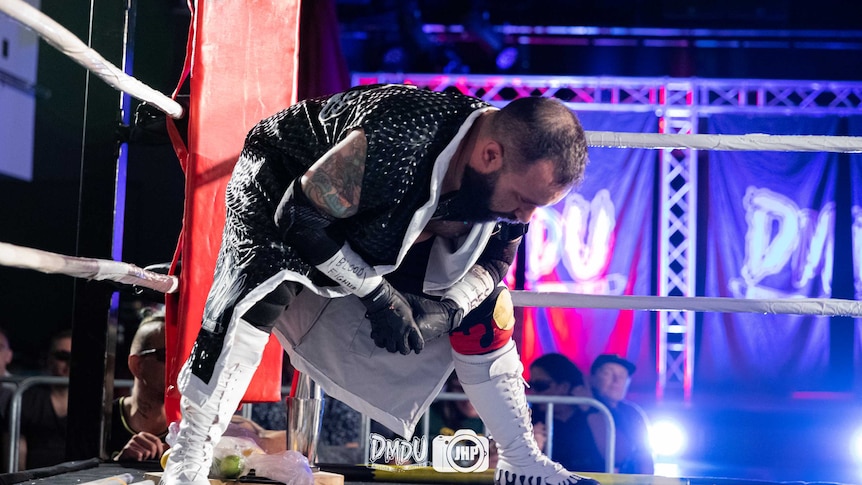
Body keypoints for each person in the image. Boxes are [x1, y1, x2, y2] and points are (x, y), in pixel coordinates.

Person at [161, 84, 594, 485]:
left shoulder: (504, 173)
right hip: (282, 196)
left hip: (383, 238)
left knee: (490, 306)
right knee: (259, 286)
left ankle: (521, 459)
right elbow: (299, 217)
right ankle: (189, 456)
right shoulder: (396, 138)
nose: (525, 217)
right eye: (522, 200)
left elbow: (498, 259)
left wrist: (449, 310)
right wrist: (379, 296)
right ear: (490, 156)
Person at [3, 329, 72, 470]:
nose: (69, 364)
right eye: (63, 356)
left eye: (76, 358)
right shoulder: (25, 399)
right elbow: (15, 456)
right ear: (49, 359)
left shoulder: (93, 405)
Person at [109, 313, 170, 461]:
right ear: (137, 365)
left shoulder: (196, 426)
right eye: (167, 355)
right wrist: (119, 464)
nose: (181, 365)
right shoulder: (102, 421)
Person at [528, 353, 597, 473]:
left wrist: (590, 408)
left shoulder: (593, 415)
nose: (533, 392)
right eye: (531, 385)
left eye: (540, 386)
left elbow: (618, 456)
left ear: (564, 387)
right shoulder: (529, 420)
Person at [587, 354, 654, 475]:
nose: (616, 381)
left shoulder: (633, 413)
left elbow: (645, 455)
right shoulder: (582, 408)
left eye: (622, 376)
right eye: (608, 373)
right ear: (592, 378)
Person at [428, 373, 498, 468]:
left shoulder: (506, 421)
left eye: (478, 390)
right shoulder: (429, 416)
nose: (469, 398)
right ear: (449, 388)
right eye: (460, 389)